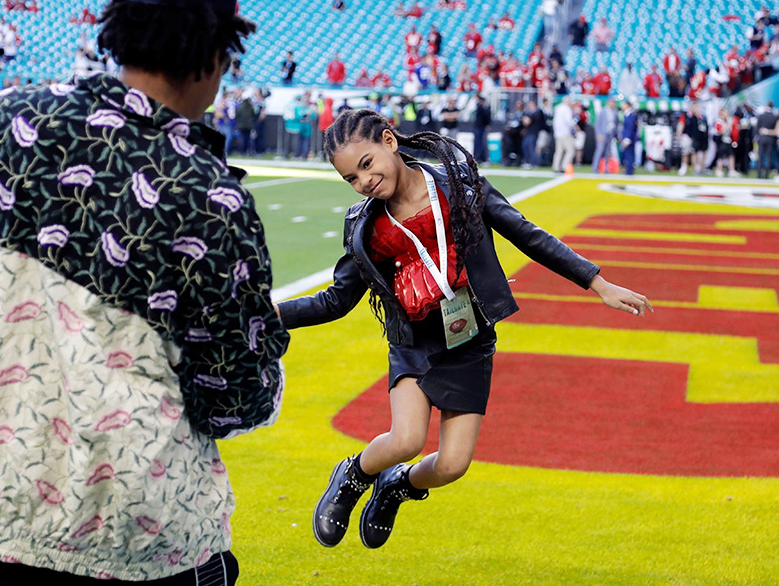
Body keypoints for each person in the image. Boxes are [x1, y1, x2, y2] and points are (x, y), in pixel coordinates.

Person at [0, 0, 287, 584]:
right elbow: (240, 397)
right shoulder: (205, 196)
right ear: (220, 47)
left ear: (115, 24)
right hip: (137, 527)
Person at [275, 109, 651, 550]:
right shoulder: (365, 225)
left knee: (453, 464)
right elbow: (335, 300)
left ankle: (397, 486)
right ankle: (354, 474)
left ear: (390, 142)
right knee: (407, 438)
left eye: (367, 164)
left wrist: (597, 283)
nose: (364, 181)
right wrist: (269, 312)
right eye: (351, 179)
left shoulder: (460, 186)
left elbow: (527, 234)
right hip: (415, 340)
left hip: (468, 337)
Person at [592, 100, 618, 173]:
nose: (612, 104)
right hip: (602, 134)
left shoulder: (615, 112)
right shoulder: (602, 111)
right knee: (599, 151)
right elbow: (597, 123)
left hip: (610, 134)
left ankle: (606, 168)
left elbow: (616, 124)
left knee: (607, 152)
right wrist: (598, 134)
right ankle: (595, 168)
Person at [552, 97, 575, 172]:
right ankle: (564, 166)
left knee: (559, 151)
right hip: (565, 132)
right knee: (570, 150)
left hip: (558, 133)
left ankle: (556, 167)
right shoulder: (567, 109)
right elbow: (568, 121)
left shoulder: (558, 108)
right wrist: (574, 129)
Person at [619, 100, 638, 175]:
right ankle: (627, 169)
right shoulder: (626, 114)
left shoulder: (631, 115)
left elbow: (630, 128)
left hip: (629, 139)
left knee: (629, 154)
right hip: (626, 137)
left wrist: (627, 139)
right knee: (626, 154)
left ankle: (630, 171)